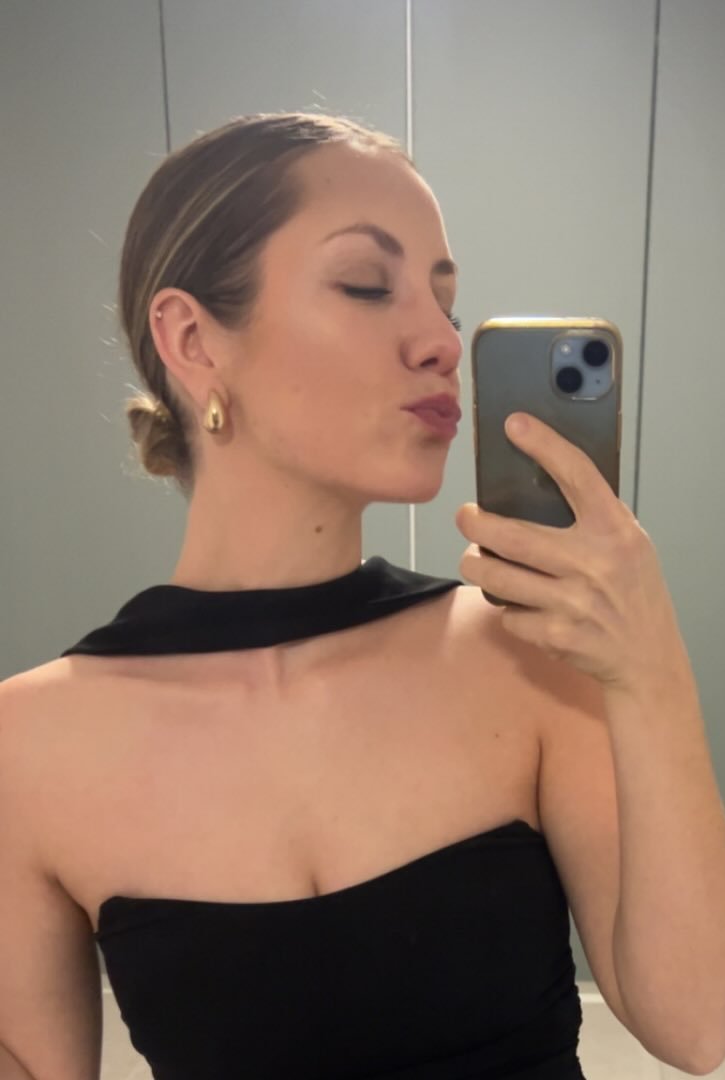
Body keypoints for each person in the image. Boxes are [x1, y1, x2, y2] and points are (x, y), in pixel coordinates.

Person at [0, 111, 602, 1080]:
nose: (441, 342)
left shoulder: (524, 649)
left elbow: (696, 1024)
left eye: (447, 304)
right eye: (367, 284)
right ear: (192, 338)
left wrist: (649, 661)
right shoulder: (26, 745)